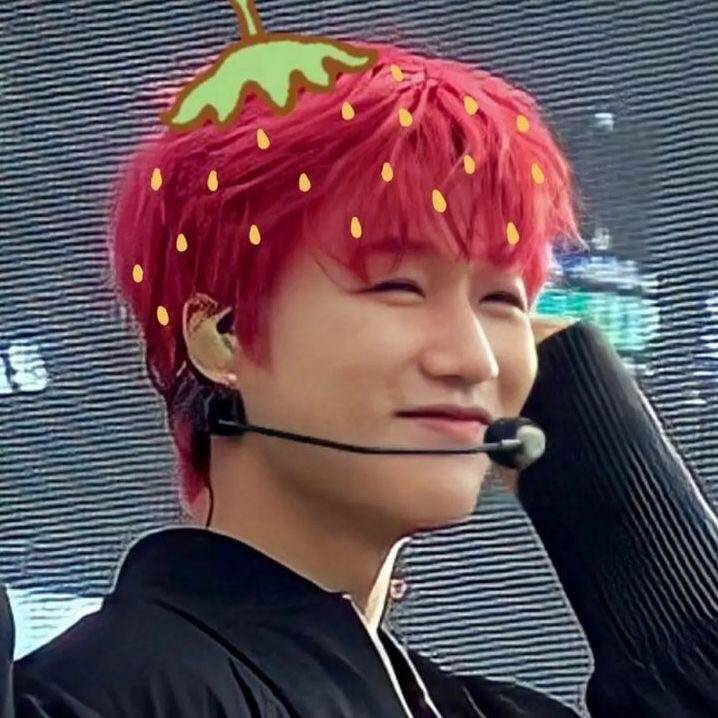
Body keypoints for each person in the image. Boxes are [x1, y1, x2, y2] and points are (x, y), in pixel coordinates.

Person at [4, 25, 718, 718]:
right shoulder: (94, 696)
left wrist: (574, 397)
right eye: (397, 286)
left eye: (502, 299)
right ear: (223, 338)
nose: (473, 357)